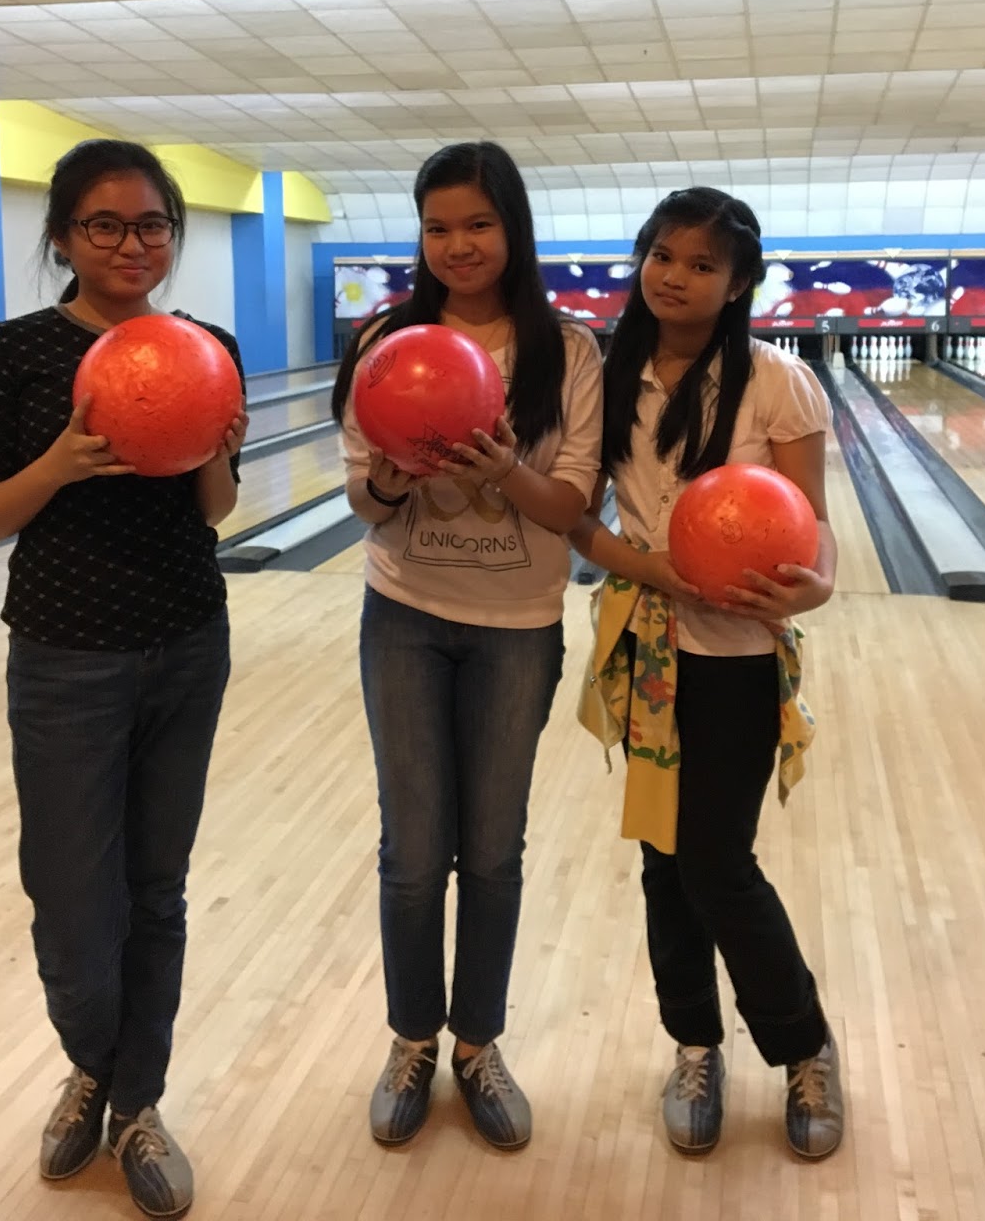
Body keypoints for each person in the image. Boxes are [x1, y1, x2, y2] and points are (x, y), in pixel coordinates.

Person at [0, 139, 247, 1219]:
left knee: (155, 891)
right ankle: (95, 1058)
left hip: (185, 644)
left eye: (153, 225)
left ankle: (133, 1102)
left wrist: (217, 447)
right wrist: (61, 462)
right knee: (74, 900)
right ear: (65, 235)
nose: (133, 244)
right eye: (106, 225)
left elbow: (214, 510)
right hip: (64, 656)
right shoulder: (17, 352)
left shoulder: (208, 345)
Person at [331, 140, 602, 1152]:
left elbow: (573, 504)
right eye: (439, 226)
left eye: (478, 224)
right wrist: (397, 476)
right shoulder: (388, 345)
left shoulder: (568, 352)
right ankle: (411, 1038)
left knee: (491, 850)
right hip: (403, 609)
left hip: (517, 627)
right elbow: (364, 496)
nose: (458, 244)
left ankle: (478, 1043)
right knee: (412, 852)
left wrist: (499, 467)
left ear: (512, 228)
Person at [571, 186, 843, 1161]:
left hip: (735, 661)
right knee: (662, 861)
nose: (674, 275)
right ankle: (695, 1044)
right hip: (646, 650)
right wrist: (651, 567)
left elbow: (821, 548)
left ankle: (804, 1043)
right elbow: (582, 521)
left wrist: (798, 594)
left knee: (716, 862)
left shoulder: (777, 385)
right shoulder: (607, 379)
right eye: (661, 254)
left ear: (737, 286)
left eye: (700, 263)